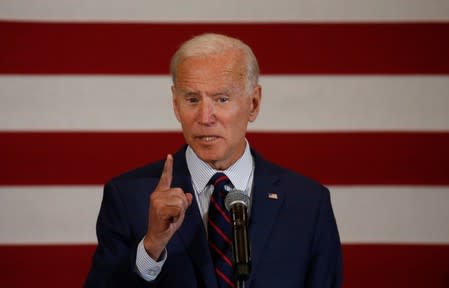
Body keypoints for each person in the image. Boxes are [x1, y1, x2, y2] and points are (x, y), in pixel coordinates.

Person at [85, 33, 343, 288]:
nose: (205, 117)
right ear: (176, 105)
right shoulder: (129, 197)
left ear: (253, 103)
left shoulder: (308, 203)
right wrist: (151, 247)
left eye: (221, 99)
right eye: (192, 99)